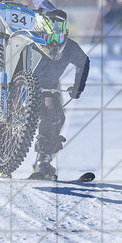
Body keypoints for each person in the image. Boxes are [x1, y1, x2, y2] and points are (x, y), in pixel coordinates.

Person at [21, 10, 89, 180]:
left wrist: (78, 87)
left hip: (48, 88)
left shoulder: (70, 48)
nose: (54, 43)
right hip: (21, 87)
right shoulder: (29, 42)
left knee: (56, 116)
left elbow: (84, 62)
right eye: (49, 38)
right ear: (40, 33)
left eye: (58, 39)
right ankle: (2, 159)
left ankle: (43, 160)